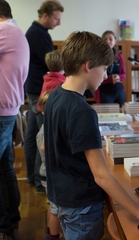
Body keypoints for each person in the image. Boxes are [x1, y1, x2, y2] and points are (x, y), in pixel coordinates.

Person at [43, 31, 139, 239]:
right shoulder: (82, 110)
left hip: (61, 198)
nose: (106, 75)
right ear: (88, 66)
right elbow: (101, 175)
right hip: (82, 205)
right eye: (105, 69)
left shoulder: (55, 96)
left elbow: (49, 146)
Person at [24, 0, 64, 194]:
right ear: (45, 15)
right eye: (56, 18)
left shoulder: (39, 33)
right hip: (41, 93)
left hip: (36, 90)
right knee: (43, 136)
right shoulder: (37, 35)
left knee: (32, 136)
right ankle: (40, 182)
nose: (58, 23)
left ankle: (33, 178)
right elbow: (51, 63)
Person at [0, 0, 30, 239]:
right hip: (8, 110)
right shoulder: (16, 31)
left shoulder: (5, 30)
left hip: (1, 111)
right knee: (5, 167)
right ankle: (12, 215)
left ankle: (3, 227)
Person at [36, 91, 62, 240]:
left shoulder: (48, 125)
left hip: (47, 173)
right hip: (50, 174)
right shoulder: (47, 130)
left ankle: (49, 230)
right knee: (55, 209)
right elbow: (45, 150)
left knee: (52, 205)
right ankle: (52, 236)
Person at [94, 30, 126, 107]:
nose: (108, 41)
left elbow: (124, 74)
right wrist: (110, 79)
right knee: (107, 115)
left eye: (110, 39)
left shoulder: (119, 56)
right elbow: (96, 77)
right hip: (105, 92)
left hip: (119, 90)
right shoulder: (98, 57)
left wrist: (119, 77)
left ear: (115, 41)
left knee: (121, 114)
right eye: (105, 39)